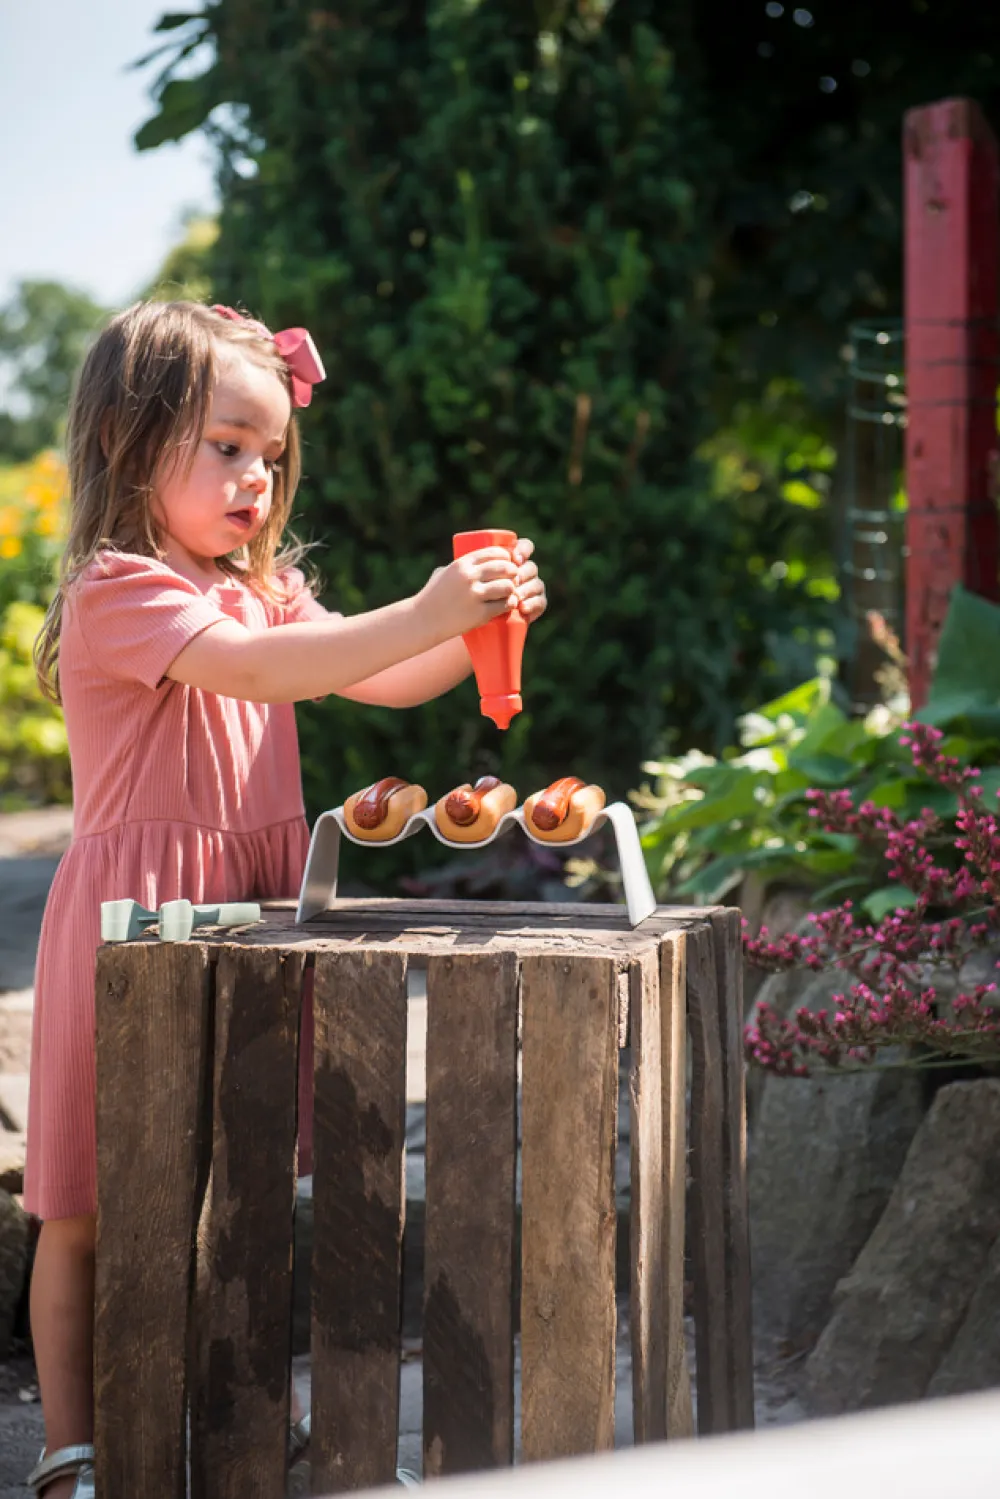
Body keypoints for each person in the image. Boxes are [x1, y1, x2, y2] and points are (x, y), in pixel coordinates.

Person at [24, 299, 547, 1498]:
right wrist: (424, 607)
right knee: (87, 1202)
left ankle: (271, 1418)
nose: (256, 476)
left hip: (254, 922)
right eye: (226, 445)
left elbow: (374, 670)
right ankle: (71, 1442)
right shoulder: (122, 590)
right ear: (123, 437)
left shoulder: (262, 591)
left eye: (272, 453)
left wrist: (471, 631)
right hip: (135, 925)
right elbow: (261, 672)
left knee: (246, 1182)